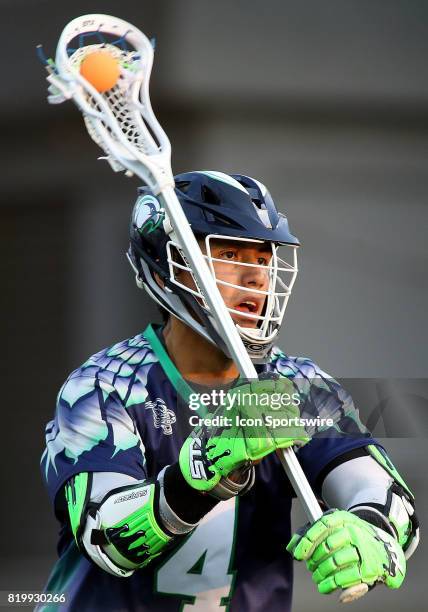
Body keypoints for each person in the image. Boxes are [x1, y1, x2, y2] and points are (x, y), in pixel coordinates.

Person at [40, 171, 419, 611]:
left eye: (262, 257)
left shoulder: (298, 388)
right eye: (231, 252)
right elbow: (106, 539)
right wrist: (194, 478)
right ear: (167, 271)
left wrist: (370, 529)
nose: (256, 276)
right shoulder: (103, 387)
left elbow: (388, 498)